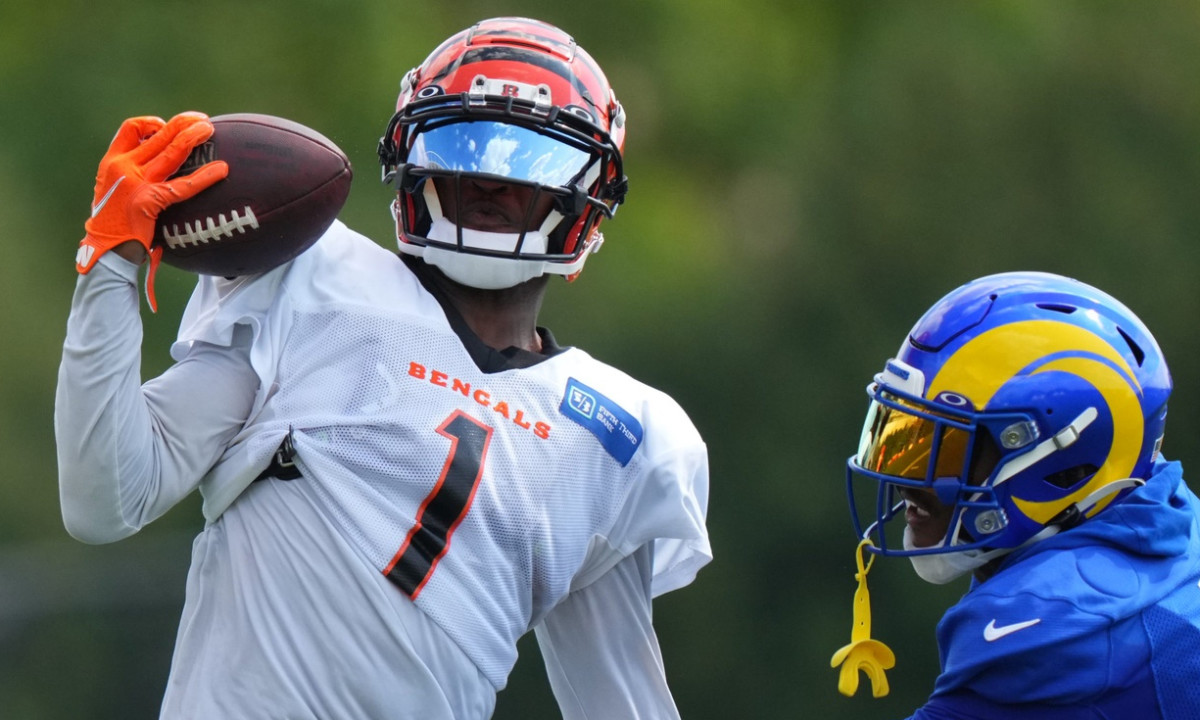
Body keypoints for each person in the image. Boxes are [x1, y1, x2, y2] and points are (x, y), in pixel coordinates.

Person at [55, 17, 710, 719]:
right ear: (414, 164)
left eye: (529, 165)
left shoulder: (622, 437)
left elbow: (618, 705)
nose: (490, 180)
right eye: (464, 149)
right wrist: (110, 263)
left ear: (584, 197)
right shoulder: (311, 285)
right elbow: (106, 499)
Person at [834, 271, 1200, 718]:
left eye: (944, 449)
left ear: (1066, 463)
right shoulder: (1167, 510)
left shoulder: (1052, 627)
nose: (905, 480)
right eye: (909, 437)